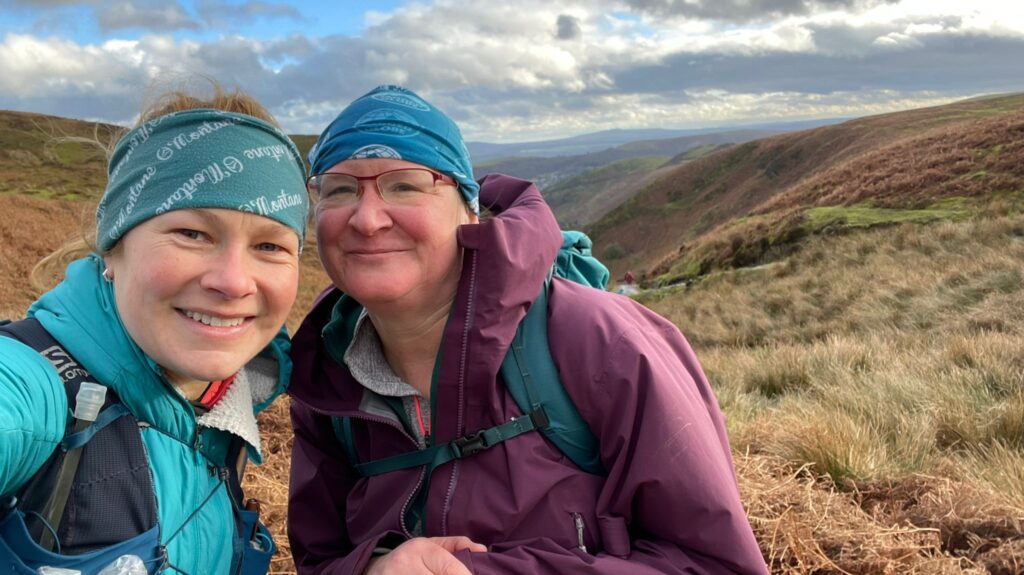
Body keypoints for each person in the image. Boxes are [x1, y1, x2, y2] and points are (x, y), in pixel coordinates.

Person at [287, 85, 767, 574]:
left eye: (405, 185)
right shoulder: (324, 375)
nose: (367, 219)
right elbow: (320, 560)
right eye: (340, 188)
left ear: (467, 209)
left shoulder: (601, 341)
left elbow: (716, 564)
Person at [0, 86, 309, 574]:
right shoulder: (33, 388)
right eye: (192, 233)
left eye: (270, 246)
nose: (232, 281)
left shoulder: (226, 408)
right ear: (113, 248)